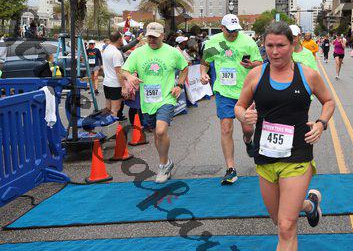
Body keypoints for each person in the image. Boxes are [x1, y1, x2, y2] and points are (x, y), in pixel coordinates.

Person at [234, 21, 335, 251]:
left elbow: (329, 101)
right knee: (279, 220)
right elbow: (239, 106)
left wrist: (321, 123)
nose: (274, 51)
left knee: (286, 226)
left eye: (280, 45)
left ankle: (303, 209)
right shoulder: (256, 75)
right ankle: (309, 205)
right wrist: (244, 116)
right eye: (269, 46)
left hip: (297, 154)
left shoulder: (307, 75)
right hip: (265, 156)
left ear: (292, 45)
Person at [121, 22, 188, 183]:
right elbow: (124, 70)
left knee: (161, 131)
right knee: (157, 134)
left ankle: (163, 166)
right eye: (149, 37)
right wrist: (129, 77)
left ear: (162, 36)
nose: (151, 40)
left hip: (167, 98)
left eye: (155, 37)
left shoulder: (172, 52)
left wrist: (179, 85)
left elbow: (184, 68)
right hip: (148, 102)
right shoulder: (138, 53)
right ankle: (166, 161)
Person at [200, 14, 263, 185]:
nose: (233, 33)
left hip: (245, 92)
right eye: (230, 31)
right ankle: (230, 168)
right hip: (224, 92)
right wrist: (203, 74)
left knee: (248, 128)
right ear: (222, 28)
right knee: (226, 128)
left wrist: (252, 65)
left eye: (236, 30)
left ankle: (248, 141)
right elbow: (205, 62)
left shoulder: (247, 42)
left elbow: (260, 63)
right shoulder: (215, 43)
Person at [101, 32, 125, 117]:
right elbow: (118, 72)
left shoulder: (106, 49)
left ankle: (106, 124)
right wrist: (123, 87)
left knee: (108, 108)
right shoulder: (116, 53)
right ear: (119, 39)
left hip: (106, 83)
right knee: (115, 109)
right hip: (115, 84)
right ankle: (113, 126)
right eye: (122, 38)